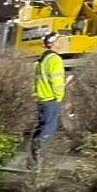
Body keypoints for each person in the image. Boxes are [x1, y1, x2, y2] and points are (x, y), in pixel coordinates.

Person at [28, 32, 66, 170]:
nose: (60, 43)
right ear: (53, 43)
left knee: (39, 129)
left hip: (41, 98)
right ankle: (40, 161)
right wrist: (59, 96)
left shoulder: (42, 59)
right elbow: (56, 81)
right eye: (58, 41)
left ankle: (32, 161)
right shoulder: (55, 59)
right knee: (48, 131)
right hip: (51, 99)